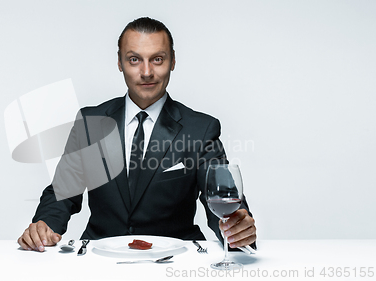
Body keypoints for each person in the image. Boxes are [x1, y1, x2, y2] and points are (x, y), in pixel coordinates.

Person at [18, 17, 256, 252]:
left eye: (158, 59)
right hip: (99, 258)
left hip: (175, 258)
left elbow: (223, 195)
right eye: (134, 60)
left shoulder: (201, 129)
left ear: (173, 61)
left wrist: (238, 228)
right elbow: (63, 193)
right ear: (120, 63)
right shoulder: (90, 123)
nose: (146, 72)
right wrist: (44, 226)